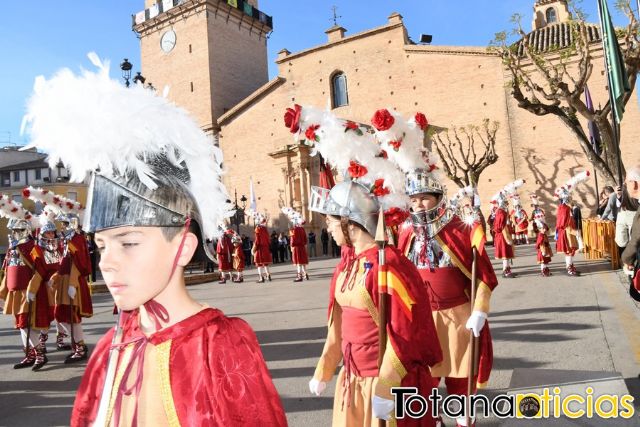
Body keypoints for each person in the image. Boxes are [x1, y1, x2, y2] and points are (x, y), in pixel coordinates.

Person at [21, 57, 286, 426]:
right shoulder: (107, 353)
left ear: (184, 247)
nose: (106, 263)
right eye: (101, 245)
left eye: (128, 243)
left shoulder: (218, 346)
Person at [292, 103, 442, 426]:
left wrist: (387, 386)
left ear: (352, 221)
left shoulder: (389, 267)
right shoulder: (345, 266)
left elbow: (404, 335)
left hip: (381, 383)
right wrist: (326, 365)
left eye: (333, 221)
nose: (329, 228)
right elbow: (337, 326)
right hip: (352, 384)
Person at [374, 109, 498, 427]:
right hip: (420, 320)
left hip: (457, 315)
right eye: (413, 200)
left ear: (438, 198)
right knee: (424, 378)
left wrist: (480, 310)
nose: (417, 205)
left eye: (424, 199)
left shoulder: (460, 229)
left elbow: (482, 276)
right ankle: (433, 420)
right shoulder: (403, 233)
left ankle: (462, 415)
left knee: (459, 374)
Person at [0, 200, 54, 371]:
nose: (15, 233)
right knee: (20, 324)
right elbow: (7, 271)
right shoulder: (12, 248)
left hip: (29, 292)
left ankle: (39, 354)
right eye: (14, 230)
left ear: (26, 230)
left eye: (18, 230)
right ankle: (29, 354)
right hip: (15, 293)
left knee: (25, 323)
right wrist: (2, 293)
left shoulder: (33, 248)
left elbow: (40, 271)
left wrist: (32, 289)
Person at [554, 171, 590, 277]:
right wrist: (574, 232)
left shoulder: (567, 208)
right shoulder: (563, 208)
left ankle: (571, 266)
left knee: (570, 251)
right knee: (569, 251)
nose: (571, 199)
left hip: (569, 232)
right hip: (567, 233)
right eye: (569, 198)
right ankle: (569, 269)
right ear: (566, 199)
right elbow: (563, 224)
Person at [492, 181, 524, 278]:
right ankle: (506, 271)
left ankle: (507, 269)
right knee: (505, 253)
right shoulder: (501, 212)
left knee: (507, 253)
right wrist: (507, 238)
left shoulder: (502, 212)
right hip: (503, 235)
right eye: (506, 202)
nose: (507, 204)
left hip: (504, 234)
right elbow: (501, 227)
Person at [282, 207, 310, 282]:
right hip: (302, 246)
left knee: (298, 262)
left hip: (297, 247)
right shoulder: (302, 229)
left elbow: (292, 239)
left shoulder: (293, 230)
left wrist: (291, 246)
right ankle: (305, 274)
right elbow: (305, 238)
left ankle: (299, 276)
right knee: (303, 262)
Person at [253, 213, 273, 282]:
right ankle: (268, 275)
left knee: (259, 264)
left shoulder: (258, 229)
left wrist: (254, 248)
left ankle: (261, 278)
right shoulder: (265, 229)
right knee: (266, 263)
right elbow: (268, 240)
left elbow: (257, 240)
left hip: (260, 249)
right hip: (266, 248)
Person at [533, 212, 553, 277]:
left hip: (546, 249)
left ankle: (546, 270)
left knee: (546, 260)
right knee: (543, 261)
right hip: (542, 250)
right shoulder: (540, 235)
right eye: (543, 229)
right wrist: (542, 250)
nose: (544, 230)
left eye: (545, 229)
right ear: (539, 229)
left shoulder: (544, 234)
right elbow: (539, 243)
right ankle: (543, 271)